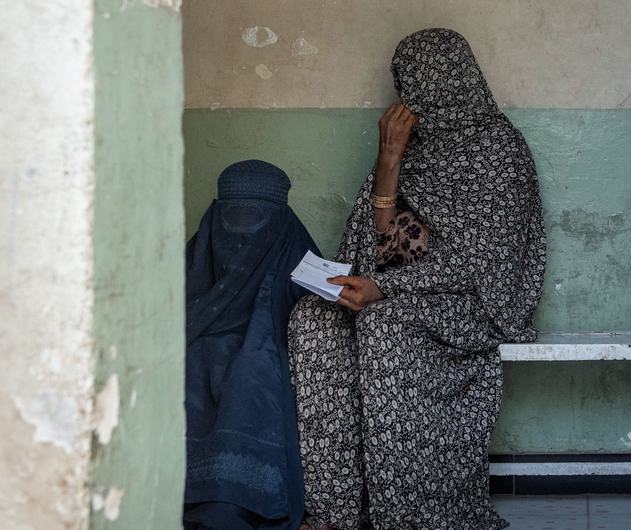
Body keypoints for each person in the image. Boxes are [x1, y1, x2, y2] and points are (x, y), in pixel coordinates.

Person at [287, 28, 546, 530]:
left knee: (386, 327)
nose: (410, 99)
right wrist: (388, 162)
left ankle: (408, 514)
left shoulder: (500, 151)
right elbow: (377, 249)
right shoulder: (410, 148)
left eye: (418, 85)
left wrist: (389, 289)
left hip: (472, 302)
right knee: (311, 323)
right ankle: (335, 511)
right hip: (397, 294)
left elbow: (482, 261)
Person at [184, 160, 320, 530]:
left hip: (268, 352)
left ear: (278, 219)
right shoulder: (194, 261)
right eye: (233, 216)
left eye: (256, 217)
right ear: (217, 215)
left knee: (252, 372)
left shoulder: (293, 249)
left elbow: (321, 322)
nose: (242, 228)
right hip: (197, 349)